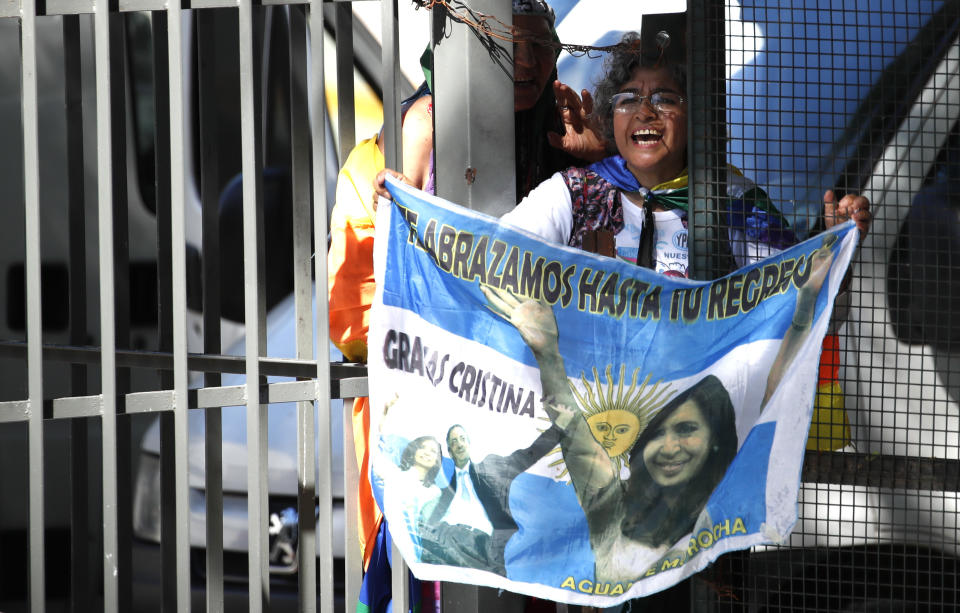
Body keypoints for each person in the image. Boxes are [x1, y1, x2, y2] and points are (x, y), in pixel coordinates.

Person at [329, 0, 605, 574]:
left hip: (539, 449)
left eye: (540, 47)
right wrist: (408, 232)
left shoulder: (572, 148)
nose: (527, 61)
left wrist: (601, 160)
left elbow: (617, 288)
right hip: (426, 441)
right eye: (507, 43)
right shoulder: (382, 157)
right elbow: (353, 326)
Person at [481, 238, 839, 585]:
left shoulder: (724, 494)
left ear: (716, 442)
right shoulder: (612, 508)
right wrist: (547, 353)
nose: (669, 445)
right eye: (659, 433)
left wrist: (803, 307)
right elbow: (575, 434)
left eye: (685, 429)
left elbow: (773, 395)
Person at [418, 423, 561, 576]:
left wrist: (559, 427)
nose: (459, 444)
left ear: (469, 444)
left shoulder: (491, 469)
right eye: (454, 442)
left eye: (462, 439)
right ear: (449, 452)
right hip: (455, 561)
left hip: (491, 554)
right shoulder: (445, 493)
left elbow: (527, 456)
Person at [377, 435, 444, 559]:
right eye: (422, 447)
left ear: (437, 461)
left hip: (415, 549)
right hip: (392, 541)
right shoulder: (394, 473)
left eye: (433, 451)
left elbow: (429, 523)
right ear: (413, 452)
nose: (427, 453)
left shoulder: (435, 492)